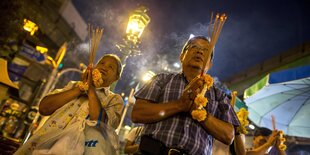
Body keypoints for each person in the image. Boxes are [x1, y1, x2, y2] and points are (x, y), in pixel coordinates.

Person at [131, 36, 240, 155]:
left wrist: (199, 112)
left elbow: (229, 135)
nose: (199, 51)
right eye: (194, 47)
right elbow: (137, 113)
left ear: (210, 64)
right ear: (182, 56)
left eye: (205, 50)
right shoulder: (161, 80)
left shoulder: (219, 96)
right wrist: (180, 105)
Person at [14, 54, 124, 154]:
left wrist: (91, 89)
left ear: (116, 78)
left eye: (111, 67)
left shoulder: (114, 100)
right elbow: (44, 108)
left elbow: (101, 125)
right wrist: (80, 88)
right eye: (102, 63)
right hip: (41, 146)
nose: (104, 67)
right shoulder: (73, 86)